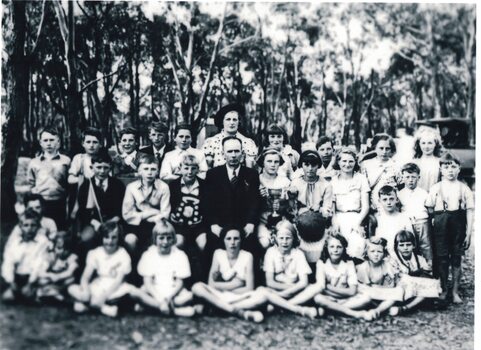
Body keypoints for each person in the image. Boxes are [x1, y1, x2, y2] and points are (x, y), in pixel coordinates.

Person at [425, 152, 474, 303]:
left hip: (458, 225)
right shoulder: (436, 188)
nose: (450, 170)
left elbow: (470, 212)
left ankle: (455, 292)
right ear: (441, 169)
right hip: (441, 227)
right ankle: (444, 289)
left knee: (456, 259)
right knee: (442, 259)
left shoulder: (464, 189)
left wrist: (468, 233)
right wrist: (436, 222)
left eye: (453, 166)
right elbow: (429, 208)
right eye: (446, 167)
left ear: (459, 169)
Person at [287, 232, 369, 319]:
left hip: (345, 299)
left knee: (366, 299)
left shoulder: (349, 264)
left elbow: (352, 291)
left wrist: (329, 287)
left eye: (339, 247)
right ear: (327, 248)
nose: (335, 250)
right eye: (332, 247)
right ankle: (349, 312)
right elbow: (322, 288)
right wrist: (336, 291)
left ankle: (331, 309)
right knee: (317, 298)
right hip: (328, 298)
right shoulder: (321, 263)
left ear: (344, 248)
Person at [204, 136, 260, 261]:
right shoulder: (213, 174)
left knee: (252, 249)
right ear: (223, 154)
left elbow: (254, 202)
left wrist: (250, 223)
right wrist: (213, 224)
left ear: (242, 153)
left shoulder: (252, 174)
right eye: (229, 151)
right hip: (220, 225)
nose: (233, 155)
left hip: (243, 225)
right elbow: (208, 203)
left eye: (236, 151)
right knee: (211, 249)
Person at [68, 219, 139, 317]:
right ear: (102, 238)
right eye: (106, 237)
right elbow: (86, 276)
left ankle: (93, 304)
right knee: (72, 289)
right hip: (99, 285)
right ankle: (104, 308)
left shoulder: (123, 254)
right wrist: (85, 290)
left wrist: (103, 297)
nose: (110, 241)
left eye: (114, 238)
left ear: (118, 239)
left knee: (79, 307)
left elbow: (119, 281)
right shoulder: (95, 253)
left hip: (115, 287)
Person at [191, 228, 264, 322]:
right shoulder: (218, 253)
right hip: (219, 295)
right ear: (223, 240)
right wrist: (236, 284)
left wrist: (221, 287)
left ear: (241, 240)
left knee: (262, 296)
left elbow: (249, 288)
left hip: (238, 297)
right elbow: (211, 283)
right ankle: (236, 311)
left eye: (236, 238)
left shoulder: (247, 256)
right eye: (228, 239)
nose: (232, 242)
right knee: (196, 287)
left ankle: (217, 309)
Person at [134, 220, 201, 317]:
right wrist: (161, 300)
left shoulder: (180, 255)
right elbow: (147, 282)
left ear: (173, 239)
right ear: (155, 239)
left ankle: (155, 308)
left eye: (169, 238)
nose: (165, 242)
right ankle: (174, 310)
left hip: (174, 292)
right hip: (154, 290)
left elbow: (180, 282)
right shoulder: (148, 255)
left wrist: (169, 298)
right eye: (161, 238)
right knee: (136, 292)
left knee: (190, 296)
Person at [169, 154, 209, 281]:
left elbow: (208, 208)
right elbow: (169, 206)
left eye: (193, 168)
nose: (190, 172)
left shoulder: (204, 185)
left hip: (199, 225)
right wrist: (173, 217)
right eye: (186, 168)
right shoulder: (173, 186)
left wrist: (202, 219)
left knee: (204, 244)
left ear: (198, 169)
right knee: (178, 243)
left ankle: (204, 276)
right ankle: (176, 276)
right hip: (179, 225)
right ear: (180, 168)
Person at [122, 154, 171, 254]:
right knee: (130, 239)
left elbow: (165, 214)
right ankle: (133, 265)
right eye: (146, 169)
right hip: (135, 224)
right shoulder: (131, 187)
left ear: (157, 171)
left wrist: (151, 216)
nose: (149, 173)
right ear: (139, 171)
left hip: (156, 223)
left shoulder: (163, 187)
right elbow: (128, 215)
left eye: (153, 169)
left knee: (161, 238)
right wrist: (154, 212)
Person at [27, 126, 71, 228]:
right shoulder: (34, 162)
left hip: (59, 202)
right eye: (45, 140)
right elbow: (31, 182)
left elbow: (69, 183)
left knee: (59, 230)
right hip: (41, 203)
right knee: (41, 229)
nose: (49, 143)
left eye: (52, 140)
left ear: (58, 142)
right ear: (41, 143)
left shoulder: (66, 161)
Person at [1, 209, 49, 302]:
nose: (29, 229)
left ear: (38, 227)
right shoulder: (15, 242)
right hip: (17, 276)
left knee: (31, 292)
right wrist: (11, 282)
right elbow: (8, 261)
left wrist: (30, 283)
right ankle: (17, 291)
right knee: (8, 297)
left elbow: (40, 264)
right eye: (26, 225)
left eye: (33, 225)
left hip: (34, 277)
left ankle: (34, 291)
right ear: (20, 227)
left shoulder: (43, 241)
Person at [330, 148, 370, 259]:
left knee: (358, 246)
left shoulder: (361, 179)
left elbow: (366, 206)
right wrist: (335, 223)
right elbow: (332, 207)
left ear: (355, 162)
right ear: (338, 162)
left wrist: (358, 223)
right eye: (344, 161)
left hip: (357, 217)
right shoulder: (333, 181)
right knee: (337, 246)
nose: (347, 164)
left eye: (351, 161)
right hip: (339, 217)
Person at [388, 230, 439, 316]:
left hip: (417, 288)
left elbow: (426, 275)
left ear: (414, 245)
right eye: (401, 245)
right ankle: (412, 305)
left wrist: (425, 270)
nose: (405, 248)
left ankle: (406, 308)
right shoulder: (393, 259)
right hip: (402, 288)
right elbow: (397, 277)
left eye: (408, 245)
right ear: (396, 247)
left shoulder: (419, 259)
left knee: (430, 282)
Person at [77, 150, 126, 238]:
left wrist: (112, 221)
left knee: (120, 237)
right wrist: (97, 224)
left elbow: (123, 208)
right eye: (99, 167)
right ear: (92, 167)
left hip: (114, 222)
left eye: (105, 168)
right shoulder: (86, 186)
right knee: (86, 238)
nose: (102, 171)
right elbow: (82, 211)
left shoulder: (118, 185)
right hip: (93, 223)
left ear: (110, 167)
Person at [354, 237, 400, 320]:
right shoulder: (364, 267)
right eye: (372, 251)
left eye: (379, 251)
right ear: (366, 253)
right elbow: (365, 288)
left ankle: (378, 310)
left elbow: (392, 284)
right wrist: (380, 288)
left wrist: (384, 288)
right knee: (367, 296)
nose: (376, 254)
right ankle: (381, 309)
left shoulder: (386, 264)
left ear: (384, 253)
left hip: (383, 292)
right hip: (370, 294)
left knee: (397, 292)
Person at [202, 103, 258, 168]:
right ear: (222, 122)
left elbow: (250, 170)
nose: (231, 123)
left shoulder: (248, 143)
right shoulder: (211, 142)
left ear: (238, 122)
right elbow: (208, 171)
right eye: (228, 119)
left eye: (234, 120)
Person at [398, 163, 433, 265]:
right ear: (402, 177)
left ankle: (428, 268)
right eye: (407, 177)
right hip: (407, 223)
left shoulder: (424, 193)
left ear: (419, 177)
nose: (410, 180)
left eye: (413, 177)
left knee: (425, 245)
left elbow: (430, 210)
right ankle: (412, 268)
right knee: (409, 246)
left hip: (422, 222)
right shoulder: (399, 194)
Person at [257, 147, 292, 248]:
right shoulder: (256, 180)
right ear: (262, 162)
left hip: (282, 220)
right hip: (262, 221)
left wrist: (283, 202)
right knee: (264, 243)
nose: (273, 165)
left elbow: (291, 207)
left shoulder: (285, 181)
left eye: (276, 162)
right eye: (269, 161)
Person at [33, 232, 78, 302]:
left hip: (62, 281)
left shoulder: (71, 257)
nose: (63, 251)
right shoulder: (52, 257)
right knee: (42, 280)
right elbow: (40, 272)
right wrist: (50, 275)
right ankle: (52, 294)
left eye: (66, 249)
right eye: (59, 248)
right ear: (54, 247)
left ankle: (52, 293)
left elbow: (70, 272)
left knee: (71, 279)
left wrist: (59, 276)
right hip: (51, 280)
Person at [360, 133, 400, 211]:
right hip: (372, 206)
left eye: (387, 148)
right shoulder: (366, 164)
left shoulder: (396, 166)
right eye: (381, 148)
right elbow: (363, 188)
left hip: (391, 207)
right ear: (375, 148)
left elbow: (401, 188)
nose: (384, 152)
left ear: (391, 149)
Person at [373, 185, 415, 257]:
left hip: (401, 255)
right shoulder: (376, 219)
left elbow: (411, 240)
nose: (388, 202)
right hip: (383, 256)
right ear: (379, 201)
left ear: (397, 199)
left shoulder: (404, 218)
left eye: (391, 199)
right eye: (385, 199)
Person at [289, 150, 333, 217]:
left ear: (318, 166)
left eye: (314, 165)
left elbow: (327, 208)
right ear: (302, 165)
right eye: (306, 165)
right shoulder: (295, 183)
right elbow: (292, 208)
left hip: (319, 217)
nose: (310, 168)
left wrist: (320, 210)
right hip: (300, 217)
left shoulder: (326, 185)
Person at [412, 127, 443, 192]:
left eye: (430, 143)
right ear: (419, 144)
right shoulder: (415, 163)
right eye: (423, 143)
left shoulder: (440, 162)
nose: (426, 146)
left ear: (435, 144)